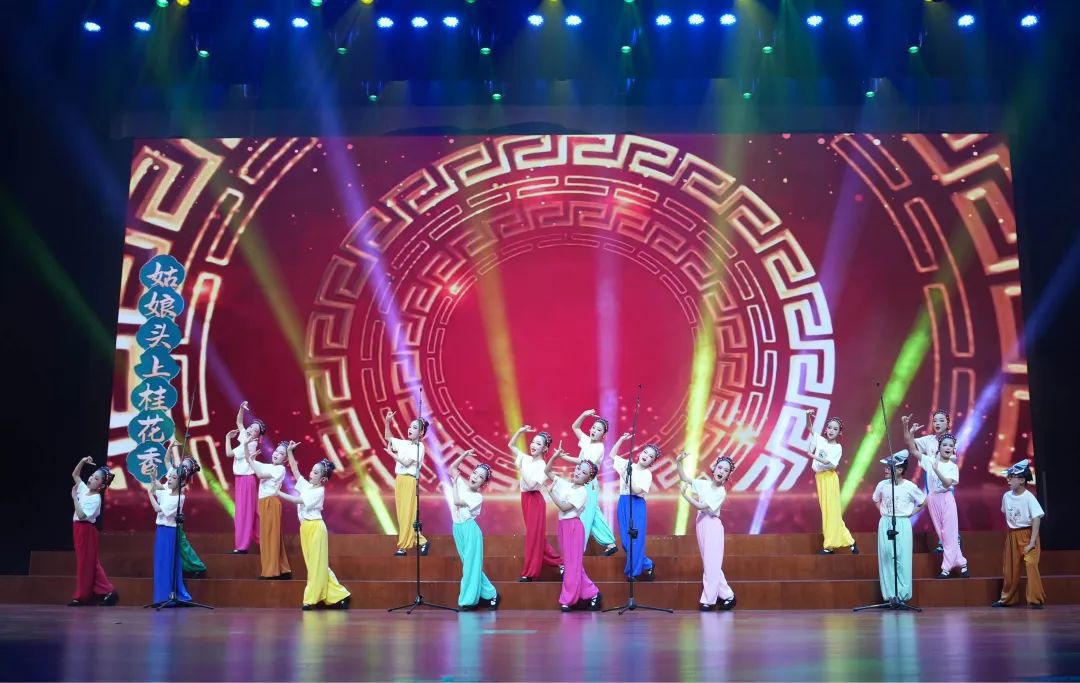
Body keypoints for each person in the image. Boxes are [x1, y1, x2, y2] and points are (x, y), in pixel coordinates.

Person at [276, 453, 351, 611]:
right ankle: (339, 594)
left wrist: (279, 493)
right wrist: (290, 452)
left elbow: (298, 500)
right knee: (316, 565)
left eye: (316, 472)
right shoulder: (307, 486)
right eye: (312, 470)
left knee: (316, 566)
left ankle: (310, 600)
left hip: (316, 528)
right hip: (305, 528)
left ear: (323, 479)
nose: (311, 473)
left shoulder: (319, 492)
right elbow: (295, 470)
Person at [902, 418, 968, 578]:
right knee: (942, 534)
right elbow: (913, 450)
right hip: (933, 499)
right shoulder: (929, 460)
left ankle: (946, 568)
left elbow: (947, 483)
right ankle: (962, 563)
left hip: (946, 499)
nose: (948, 448)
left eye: (951, 446)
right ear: (939, 447)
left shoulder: (952, 467)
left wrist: (936, 469)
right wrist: (908, 429)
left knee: (949, 533)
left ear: (953, 449)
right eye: (945, 445)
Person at [677, 451, 737, 611]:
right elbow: (684, 478)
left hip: (712, 526)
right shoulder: (703, 484)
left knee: (711, 564)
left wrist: (685, 496)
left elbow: (701, 506)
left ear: (728, 476)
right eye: (720, 468)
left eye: (726, 470)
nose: (721, 471)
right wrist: (678, 462)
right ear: (714, 468)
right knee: (711, 564)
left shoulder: (720, 492)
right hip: (701, 523)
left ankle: (709, 600)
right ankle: (728, 596)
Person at [546, 445, 603, 611]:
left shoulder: (582, 492)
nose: (578, 472)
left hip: (573, 527)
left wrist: (551, 493)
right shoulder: (566, 484)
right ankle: (592, 593)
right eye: (578, 468)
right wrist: (555, 456)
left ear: (588, 479)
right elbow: (547, 471)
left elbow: (564, 508)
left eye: (584, 472)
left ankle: (568, 599)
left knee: (571, 565)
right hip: (563, 526)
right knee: (572, 564)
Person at [447, 450, 501, 611]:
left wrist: (454, 484)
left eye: (480, 477)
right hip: (457, 529)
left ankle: (467, 601)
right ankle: (491, 594)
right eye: (475, 473)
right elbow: (452, 468)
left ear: (483, 483)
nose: (475, 477)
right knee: (471, 566)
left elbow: (457, 502)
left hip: (470, 531)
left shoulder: (477, 497)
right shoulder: (462, 484)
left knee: (470, 567)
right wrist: (464, 455)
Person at [508, 425, 563, 582]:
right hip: (525, 499)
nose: (533, 445)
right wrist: (520, 432)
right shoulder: (525, 458)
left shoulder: (542, 466)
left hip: (535, 501)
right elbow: (511, 445)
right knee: (537, 538)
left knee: (533, 538)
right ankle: (561, 562)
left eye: (538, 443)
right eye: (532, 442)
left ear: (545, 448)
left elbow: (532, 484)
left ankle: (529, 573)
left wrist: (521, 469)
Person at [872, 454, 927, 603]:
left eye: (889, 467)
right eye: (886, 467)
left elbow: (923, 501)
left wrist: (910, 514)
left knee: (902, 558)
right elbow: (875, 499)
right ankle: (890, 596)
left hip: (902, 523)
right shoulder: (882, 485)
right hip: (886, 522)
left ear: (900, 470)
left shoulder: (910, 486)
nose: (885, 469)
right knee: (887, 558)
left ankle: (902, 595)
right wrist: (883, 513)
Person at [562, 409, 618, 555]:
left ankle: (578, 549)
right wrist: (584, 415)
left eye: (599, 430)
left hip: (589, 483)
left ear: (604, 435)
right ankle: (610, 543)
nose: (594, 430)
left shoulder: (599, 448)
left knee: (585, 515)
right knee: (594, 514)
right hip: (585, 483)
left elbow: (584, 464)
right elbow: (575, 427)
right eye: (593, 427)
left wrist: (563, 457)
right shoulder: (587, 441)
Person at [992, 459, 1046, 609]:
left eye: (1012, 477)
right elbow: (1006, 512)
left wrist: (1032, 542)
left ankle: (1035, 599)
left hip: (1028, 534)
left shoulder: (1029, 497)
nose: (1008, 480)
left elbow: (1036, 518)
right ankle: (1007, 599)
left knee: (1031, 565)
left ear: (1022, 480)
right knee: (1010, 569)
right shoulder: (1006, 496)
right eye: (1008, 477)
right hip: (1012, 535)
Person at [804, 409, 858, 555]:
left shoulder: (837, 447)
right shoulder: (821, 440)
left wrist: (813, 456)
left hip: (829, 478)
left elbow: (831, 464)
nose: (831, 430)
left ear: (839, 432)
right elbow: (809, 427)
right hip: (820, 478)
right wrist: (807, 415)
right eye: (829, 427)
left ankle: (829, 546)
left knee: (832, 512)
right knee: (827, 512)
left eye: (835, 429)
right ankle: (849, 541)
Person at [68, 457, 119, 606]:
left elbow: (82, 515)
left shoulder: (95, 498)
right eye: (91, 476)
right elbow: (75, 475)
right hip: (78, 529)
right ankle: (103, 592)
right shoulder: (84, 489)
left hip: (86, 530)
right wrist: (82, 461)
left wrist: (74, 499)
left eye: (96, 478)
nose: (91, 478)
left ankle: (83, 596)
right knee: (87, 562)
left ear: (101, 485)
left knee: (86, 563)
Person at [610, 432, 660, 581]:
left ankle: (633, 572)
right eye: (645, 452)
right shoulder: (627, 465)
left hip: (637, 505)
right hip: (624, 502)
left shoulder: (647, 474)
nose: (646, 456)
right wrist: (621, 439)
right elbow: (612, 455)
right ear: (640, 453)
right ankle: (647, 564)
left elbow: (637, 490)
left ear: (652, 462)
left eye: (651, 456)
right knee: (626, 543)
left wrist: (626, 476)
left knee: (635, 541)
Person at [244, 439, 294, 580]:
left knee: (270, 537)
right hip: (264, 503)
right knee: (271, 536)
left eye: (281, 453)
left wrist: (252, 461)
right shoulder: (268, 466)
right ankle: (283, 569)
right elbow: (249, 460)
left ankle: (271, 571)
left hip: (271, 503)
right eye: (276, 451)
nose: (277, 454)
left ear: (285, 459)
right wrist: (246, 445)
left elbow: (259, 474)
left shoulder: (280, 469)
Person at [384, 410, 429, 556]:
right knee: (402, 514)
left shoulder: (420, 447)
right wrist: (388, 422)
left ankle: (402, 547)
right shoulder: (404, 444)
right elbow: (388, 437)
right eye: (410, 426)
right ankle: (421, 541)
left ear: (421, 432)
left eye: (414, 427)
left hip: (410, 481)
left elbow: (406, 462)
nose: (410, 429)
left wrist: (391, 454)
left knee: (407, 514)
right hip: (400, 480)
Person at [146, 467, 193, 604]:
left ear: (181, 482)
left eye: (173, 477)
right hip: (161, 531)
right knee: (160, 564)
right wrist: (153, 478)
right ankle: (160, 597)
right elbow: (158, 488)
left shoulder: (179, 498)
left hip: (169, 533)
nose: (169, 479)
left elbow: (158, 509)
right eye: (170, 477)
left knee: (167, 564)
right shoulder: (167, 492)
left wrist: (149, 494)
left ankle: (166, 597)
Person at [227, 401, 263, 554]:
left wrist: (227, 438)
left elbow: (228, 454)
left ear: (257, 436)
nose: (250, 429)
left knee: (244, 513)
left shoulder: (249, 445)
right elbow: (240, 422)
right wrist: (241, 408)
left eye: (255, 430)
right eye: (251, 427)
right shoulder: (245, 438)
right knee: (244, 513)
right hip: (242, 480)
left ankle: (242, 546)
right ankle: (257, 540)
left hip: (247, 480)